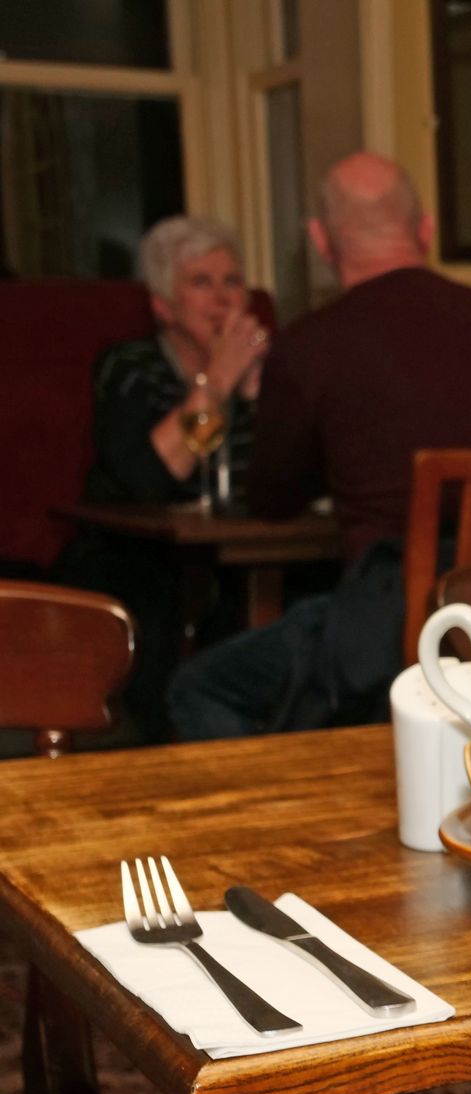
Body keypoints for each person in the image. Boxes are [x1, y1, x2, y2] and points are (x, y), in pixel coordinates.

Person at [167, 152, 471, 741]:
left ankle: (292, 800)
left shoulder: (311, 344)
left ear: (321, 240)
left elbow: (271, 497)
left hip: (395, 622)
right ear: (424, 229)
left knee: (199, 687)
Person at [54, 216, 269, 741]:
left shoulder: (266, 370)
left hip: (242, 557)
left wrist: (261, 397)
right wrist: (217, 383)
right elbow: (152, 478)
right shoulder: (128, 367)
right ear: (163, 306)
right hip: (135, 553)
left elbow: (282, 482)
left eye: (232, 281)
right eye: (201, 283)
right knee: (157, 605)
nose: (222, 298)